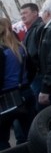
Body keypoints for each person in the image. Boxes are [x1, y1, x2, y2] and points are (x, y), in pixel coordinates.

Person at [0, 18, 35, 149]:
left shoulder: (2, 51)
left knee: (2, 139)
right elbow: (32, 69)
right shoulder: (20, 47)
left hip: (6, 99)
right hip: (25, 93)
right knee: (29, 135)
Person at [18, 4, 44, 111]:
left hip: (38, 75)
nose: (22, 16)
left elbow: (33, 54)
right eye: (21, 14)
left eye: (25, 13)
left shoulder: (39, 27)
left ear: (35, 13)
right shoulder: (31, 29)